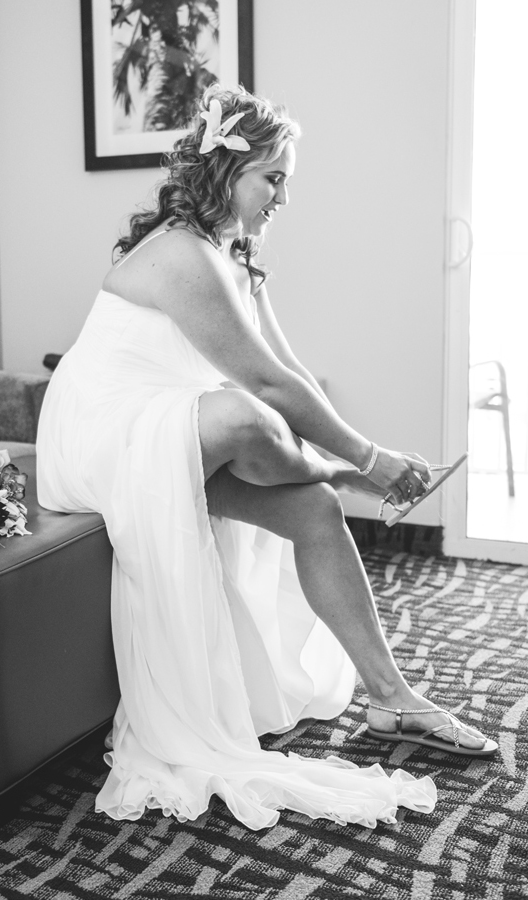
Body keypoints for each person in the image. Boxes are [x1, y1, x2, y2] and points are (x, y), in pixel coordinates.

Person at [35, 86, 494, 832]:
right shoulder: (182, 255)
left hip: (172, 428)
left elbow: (292, 369)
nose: (282, 196)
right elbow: (264, 386)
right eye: (272, 178)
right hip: (96, 434)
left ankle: (392, 698)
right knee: (242, 413)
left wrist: (353, 446)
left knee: (313, 510)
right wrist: (368, 458)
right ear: (226, 171)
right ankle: (339, 473)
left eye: (286, 179)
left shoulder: (232, 256)